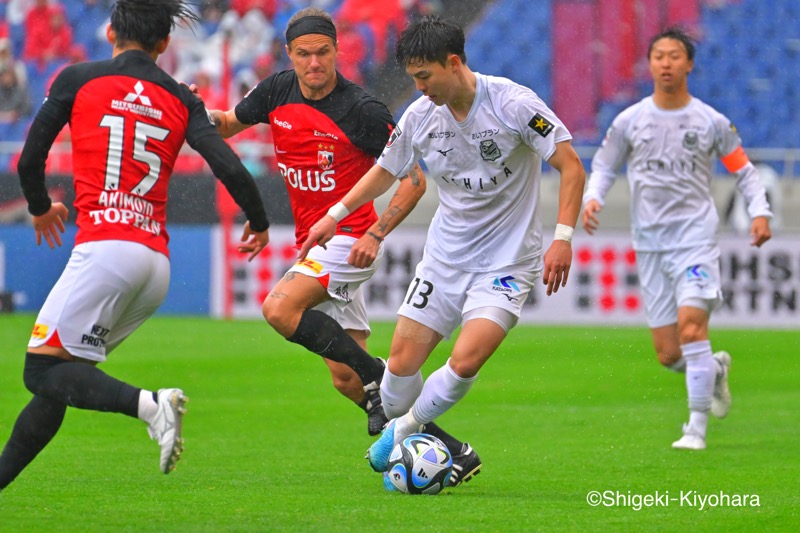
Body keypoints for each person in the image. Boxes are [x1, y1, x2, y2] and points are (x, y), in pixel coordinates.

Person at [300, 15, 586, 486]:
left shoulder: (514, 105)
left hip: (507, 261)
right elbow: (386, 170)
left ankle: (404, 434)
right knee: (396, 379)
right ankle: (436, 446)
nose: (419, 87)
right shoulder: (419, 116)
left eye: (424, 76)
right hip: (445, 259)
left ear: (453, 64)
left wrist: (563, 237)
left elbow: (570, 166)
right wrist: (335, 213)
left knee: (468, 359)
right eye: (413, 78)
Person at [0, 0, 271, 491]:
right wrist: (259, 220)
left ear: (110, 32)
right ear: (164, 43)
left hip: (107, 249)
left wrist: (40, 207)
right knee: (63, 381)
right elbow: (228, 166)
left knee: (41, 371)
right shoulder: (180, 97)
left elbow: (30, 159)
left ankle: (152, 406)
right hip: (154, 265)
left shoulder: (77, 77)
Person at [203, 10, 473, 473]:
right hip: (316, 244)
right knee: (344, 378)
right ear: (289, 54)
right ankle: (449, 449)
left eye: (322, 52)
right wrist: (194, 114)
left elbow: (412, 181)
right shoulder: (275, 91)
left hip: (351, 241)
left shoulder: (362, 111)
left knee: (279, 309)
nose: (313, 63)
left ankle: (377, 378)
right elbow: (226, 124)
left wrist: (375, 231)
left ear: (336, 51)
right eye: (304, 54)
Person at [581, 27, 772, 450]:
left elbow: (742, 168)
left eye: (674, 56)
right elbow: (605, 166)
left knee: (691, 328)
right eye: (658, 56)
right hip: (650, 244)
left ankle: (695, 429)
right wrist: (593, 197)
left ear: (689, 64)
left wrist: (760, 211)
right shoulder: (630, 120)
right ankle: (714, 372)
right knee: (669, 354)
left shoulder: (710, 121)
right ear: (649, 65)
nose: (666, 63)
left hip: (695, 240)